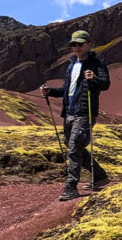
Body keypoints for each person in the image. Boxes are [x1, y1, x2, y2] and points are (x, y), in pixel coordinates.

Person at [41, 30, 112, 201]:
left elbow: (105, 85)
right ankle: (100, 175)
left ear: (89, 44)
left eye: (80, 44)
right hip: (69, 113)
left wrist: (93, 78)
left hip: (84, 113)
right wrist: (50, 91)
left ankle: (71, 186)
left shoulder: (97, 65)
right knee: (71, 144)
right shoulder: (71, 66)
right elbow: (67, 90)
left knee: (74, 147)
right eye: (74, 44)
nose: (77, 47)